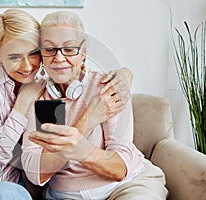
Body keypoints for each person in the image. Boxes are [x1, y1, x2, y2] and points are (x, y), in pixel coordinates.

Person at [0, 9, 132, 200]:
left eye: (34, 53)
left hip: (7, 187)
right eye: (14, 57)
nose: (28, 66)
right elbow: (3, 153)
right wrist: (24, 100)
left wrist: (125, 74)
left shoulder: (46, 84)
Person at [21, 11, 168, 200]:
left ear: (83, 52)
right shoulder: (44, 102)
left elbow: (119, 168)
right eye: (49, 49)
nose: (58, 58)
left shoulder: (107, 88)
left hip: (124, 186)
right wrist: (89, 118)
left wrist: (76, 150)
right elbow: (36, 173)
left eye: (69, 48)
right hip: (68, 194)